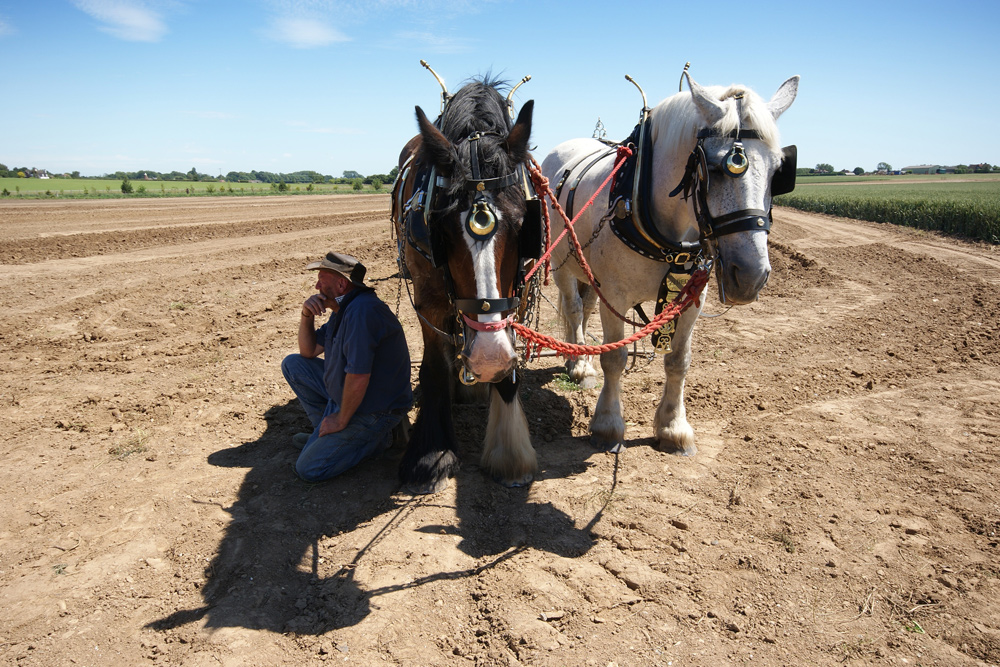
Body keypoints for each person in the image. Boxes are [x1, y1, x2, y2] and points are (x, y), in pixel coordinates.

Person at [281, 251, 412, 482]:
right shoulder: (342, 310)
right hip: (349, 396)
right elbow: (308, 352)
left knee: (309, 468)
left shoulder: (362, 312)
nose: (316, 285)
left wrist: (341, 419)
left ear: (341, 284)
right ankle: (324, 434)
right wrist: (306, 316)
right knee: (293, 365)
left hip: (375, 410)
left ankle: (381, 439)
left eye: (322, 279)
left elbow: (359, 376)